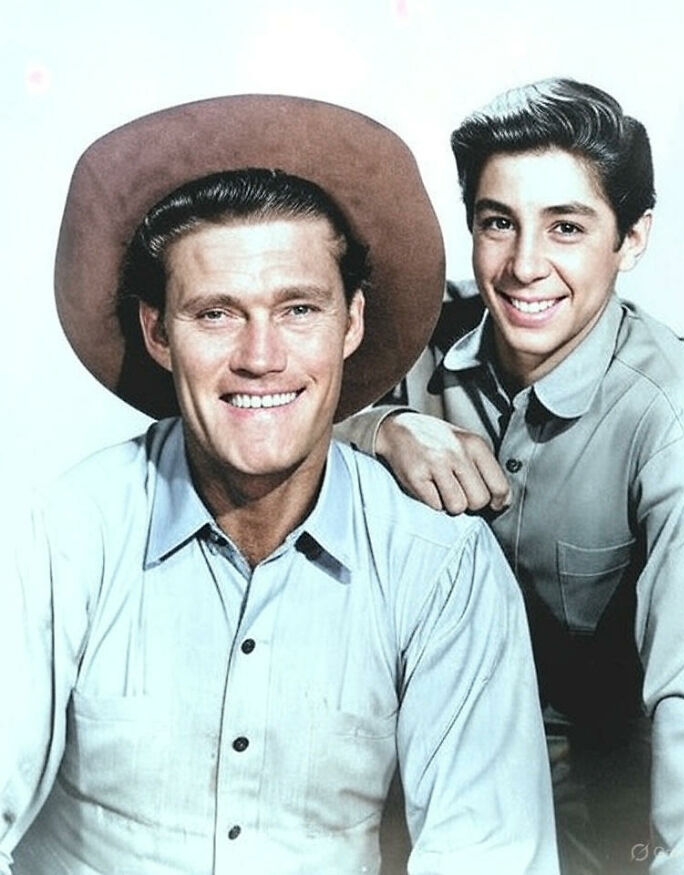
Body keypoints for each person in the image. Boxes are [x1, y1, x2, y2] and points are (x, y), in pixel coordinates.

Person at [0, 95, 558, 875]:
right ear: (158, 331)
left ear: (351, 322)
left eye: (298, 308)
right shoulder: (58, 538)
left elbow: (487, 856)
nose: (260, 357)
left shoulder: (442, 566)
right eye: (216, 313)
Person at [337, 78, 684, 874]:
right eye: (498, 222)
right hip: (398, 765)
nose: (524, 266)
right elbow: (248, 414)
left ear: (632, 237)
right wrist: (381, 428)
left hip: (590, 810)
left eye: (566, 227)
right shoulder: (416, 336)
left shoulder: (675, 417)